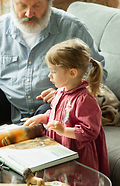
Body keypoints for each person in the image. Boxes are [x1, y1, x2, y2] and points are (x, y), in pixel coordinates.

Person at [23, 38, 110, 177]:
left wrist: (63, 130)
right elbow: (58, 114)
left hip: (76, 154)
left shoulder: (85, 100)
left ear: (72, 73)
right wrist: (44, 117)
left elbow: (90, 131)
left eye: (54, 71)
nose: (49, 75)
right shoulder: (60, 92)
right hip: (59, 148)